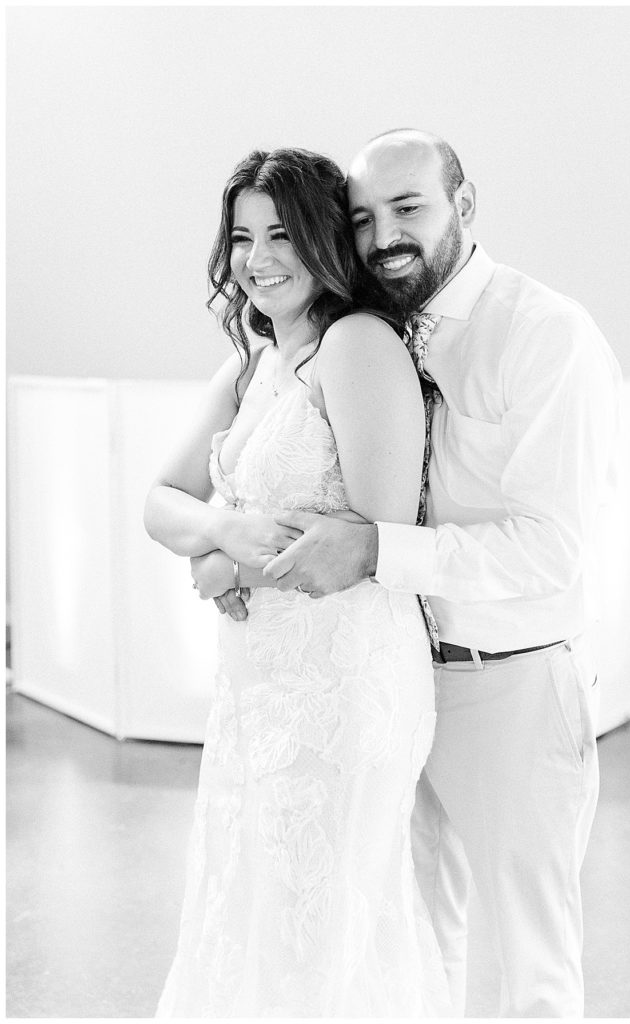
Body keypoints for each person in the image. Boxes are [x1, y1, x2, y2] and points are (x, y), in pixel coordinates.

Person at [253, 129, 622, 1017]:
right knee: (419, 946)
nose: (383, 237)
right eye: (362, 218)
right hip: (395, 680)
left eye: (408, 208)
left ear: (464, 204)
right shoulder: (370, 332)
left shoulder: (544, 334)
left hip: (512, 685)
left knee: (534, 964)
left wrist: (377, 550)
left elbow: (550, 546)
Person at [144, 146, 451, 1017]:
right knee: (251, 905)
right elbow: (159, 501)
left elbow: (370, 540)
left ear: (323, 239)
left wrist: (223, 565)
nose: (258, 258)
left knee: (322, 924)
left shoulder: (356, 345)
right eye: (243, 237)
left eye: (281, 233)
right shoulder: (253, 364)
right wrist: (219, 531)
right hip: (257, 684)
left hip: (342, 682)